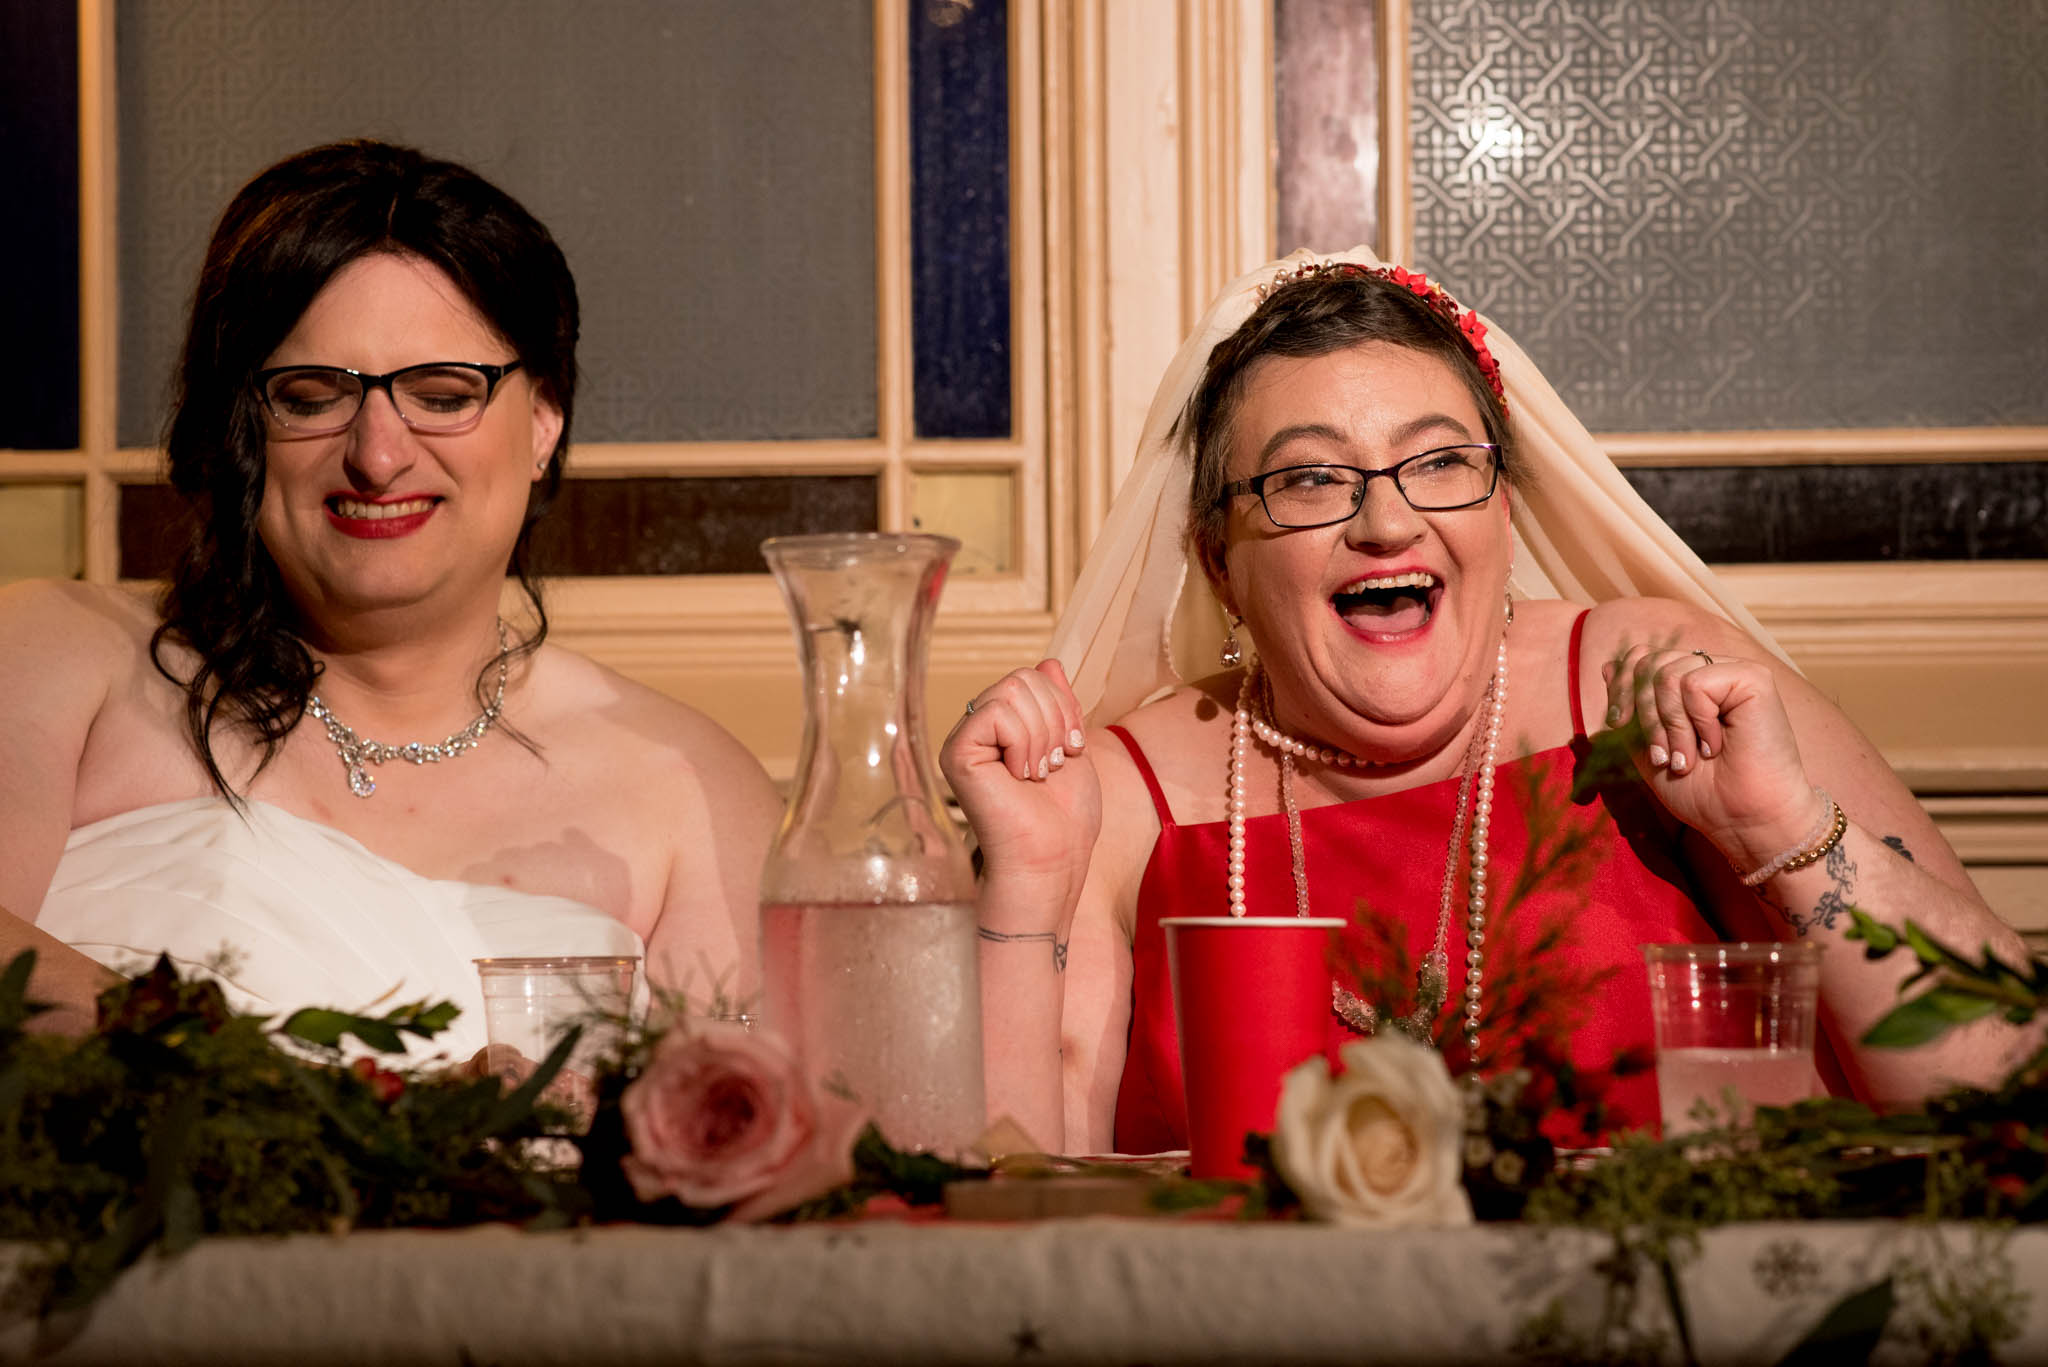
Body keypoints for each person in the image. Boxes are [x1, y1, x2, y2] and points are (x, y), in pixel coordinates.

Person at [944, 248, 2037, 1155]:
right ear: (1219, 561)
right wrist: (1028, 882)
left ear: (1503, 512)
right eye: (1310, 478)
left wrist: (1779, 830)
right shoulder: (1117, 798)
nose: (1386, 524)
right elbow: (1004, 1196)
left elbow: (2007, 1093)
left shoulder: (1647, 683)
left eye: (1438, 463)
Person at [0, 141, 782, 1058]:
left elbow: (765, 1118)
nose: (377, 455)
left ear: (543, 421)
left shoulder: (689, 790)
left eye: (443, 395)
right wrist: (298, 1099)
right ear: (239, 423)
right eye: (310, 396)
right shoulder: (56, 653)